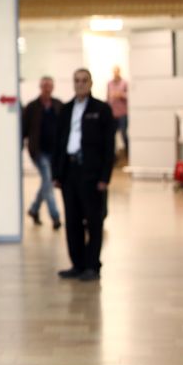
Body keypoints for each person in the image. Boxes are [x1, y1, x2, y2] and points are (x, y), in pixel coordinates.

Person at [52, 68, 115, 281]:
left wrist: (104, 177)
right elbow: (58, 143)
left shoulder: (101, 110)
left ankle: (92, 266)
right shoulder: (66, 109)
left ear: (90, 83)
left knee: (94, 221)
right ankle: (77, 264)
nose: (80, 84)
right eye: (76, 80)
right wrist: (56, 173)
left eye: (84, 80)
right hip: (69, 172)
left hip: (91, 174)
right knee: (72, 221)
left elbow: (108, 146)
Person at [22, 75, 63, 230]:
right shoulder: (32, 107)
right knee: (49, 180)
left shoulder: (58, 105)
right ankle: (55, 217)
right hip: (39, 152)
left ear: (53, 87)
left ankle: (34, 209)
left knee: (46, 182)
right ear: (40, 87)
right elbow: (23, 130)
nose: (47, 88)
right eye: (44, 85)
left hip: (55, 152)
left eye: (49, 86)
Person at [106, 65, 128, 158]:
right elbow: (107, 97)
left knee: (123, 133)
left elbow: (129, 96)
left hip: (123, 113)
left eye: (117, 71)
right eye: (114, 72)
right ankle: (113, 155)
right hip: (112, 113)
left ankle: (128, 153)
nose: (115, 73)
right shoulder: (109, 83)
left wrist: (121, 94)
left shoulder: (124, 83)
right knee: (111, 135)